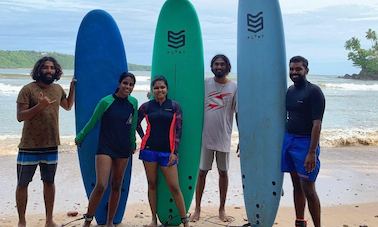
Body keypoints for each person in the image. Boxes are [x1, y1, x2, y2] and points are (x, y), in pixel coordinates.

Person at [16, 56, 76, 227]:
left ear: (56, 71)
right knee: (22, 184)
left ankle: (49, 220)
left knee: (49, 182)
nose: (49, 70)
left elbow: (67, 105)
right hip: (29, 146)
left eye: (51, 68)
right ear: (38, 70)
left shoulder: (57, 89)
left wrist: (72, 87)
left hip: (51, 145)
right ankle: (21, 221)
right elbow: (20, 117)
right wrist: (39, 107)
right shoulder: (27, 89)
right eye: (45, 67)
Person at [75, 72, 138, 227]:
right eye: (125, 83)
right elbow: (93, 121)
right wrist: (81, 136)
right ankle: (88, 220)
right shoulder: (106, 101)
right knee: (102, 184)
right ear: (119, 83)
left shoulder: (133, 103)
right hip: (105, 147)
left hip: (123, 148)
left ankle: (110, 221)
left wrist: (133, 142)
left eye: (131, 84)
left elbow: (133, 124)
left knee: (117, 185)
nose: (127, 87)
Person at [137, 76, 189, 227]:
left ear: (167, 89)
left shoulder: (174, 106)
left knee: (174, 186)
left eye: (162, 87)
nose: (159, 90)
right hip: (149, 151)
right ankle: (153, 219)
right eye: (156, 87)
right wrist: (143, 137)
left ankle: (185, 221)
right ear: (152, 90)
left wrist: (175, 152)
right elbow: (136, 123)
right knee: (152, 184)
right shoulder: (146, 107)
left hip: (168, 152)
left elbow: (178, 130)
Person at [191, 54, 237, 222]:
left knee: (223, 173)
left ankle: (222, 210)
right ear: (212, 67)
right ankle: (197, 209)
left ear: (227, 67)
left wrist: (243, 139)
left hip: (224, 137)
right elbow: (189, 98)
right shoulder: (205, 84)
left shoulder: (234, 87)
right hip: (206, 138)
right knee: (201, 172)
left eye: (222, 64)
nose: (218, 67)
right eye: (216, 64)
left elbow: (238, 114)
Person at [281, 56, 325, 227]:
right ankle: (300, 222)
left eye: (298, 69)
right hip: (289, 140)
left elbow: (317, 124)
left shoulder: (314, 92)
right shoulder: (290, 91)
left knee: (308, 188)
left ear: (306, 70)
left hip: (305, 143)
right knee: (296, 185)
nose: (294, 72)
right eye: (291, 69)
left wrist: (312, 152)